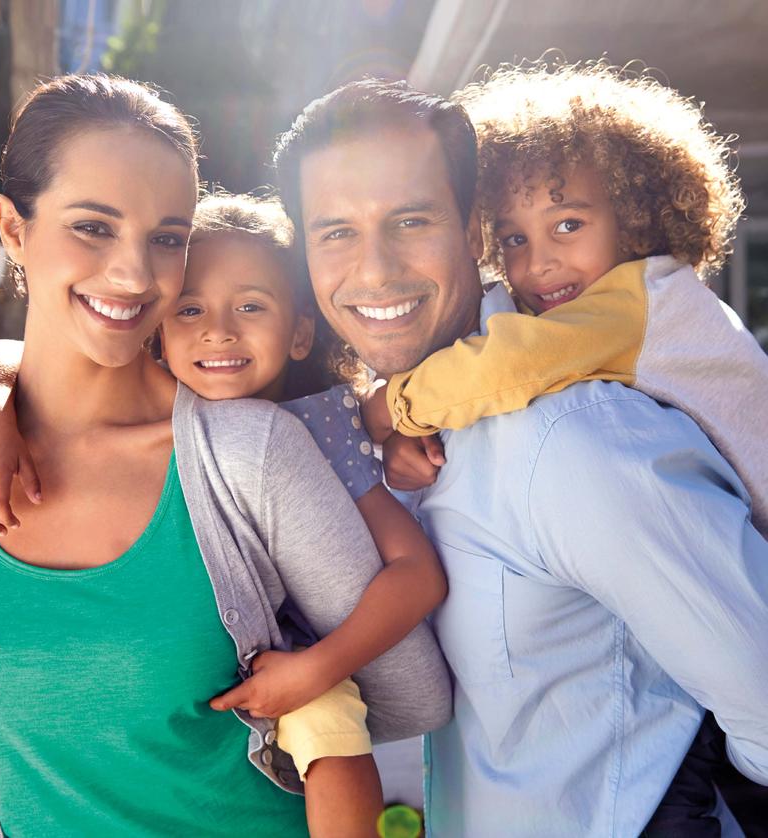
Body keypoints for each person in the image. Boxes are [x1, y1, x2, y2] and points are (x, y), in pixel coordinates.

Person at [0, 74, 449, 838]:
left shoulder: (251, 451)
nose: (135, 275)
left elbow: (410, 691)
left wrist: (307, 682)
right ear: (12, 227)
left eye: (167, 238)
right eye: (92, 227)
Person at [273, 76, 768, 836]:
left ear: (470, 227)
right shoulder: (367, 437)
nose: (372, 270)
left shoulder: (574, 436)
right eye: (334, 230)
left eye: (410, 219)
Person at [365, 62, 768, 540]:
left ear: (634, 216)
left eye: (568, 225)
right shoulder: (630, 303)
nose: (539, 264)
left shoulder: (642, 302)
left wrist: (392, 407)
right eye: (514, 239)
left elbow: (511, 362)